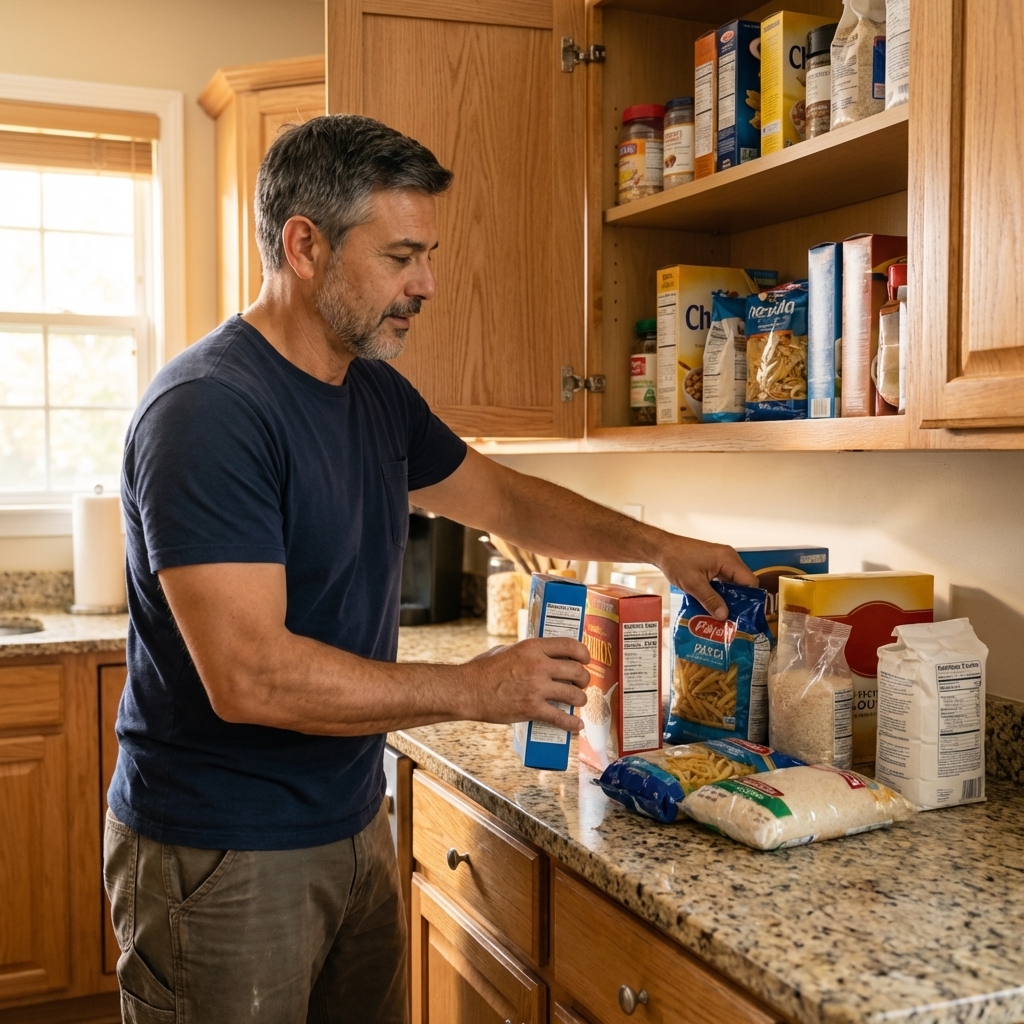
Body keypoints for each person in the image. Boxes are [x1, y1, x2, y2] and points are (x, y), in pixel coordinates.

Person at [103, 114, 757, 1023]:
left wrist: (661, 547)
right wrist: (474, 688)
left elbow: (508, 500)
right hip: (222, 850)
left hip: (350, 818)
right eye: (402, 256)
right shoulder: (209, 411)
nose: (428, 284)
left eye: (430, 254)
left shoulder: (371, 391)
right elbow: (249, 675)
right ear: (304, 246)